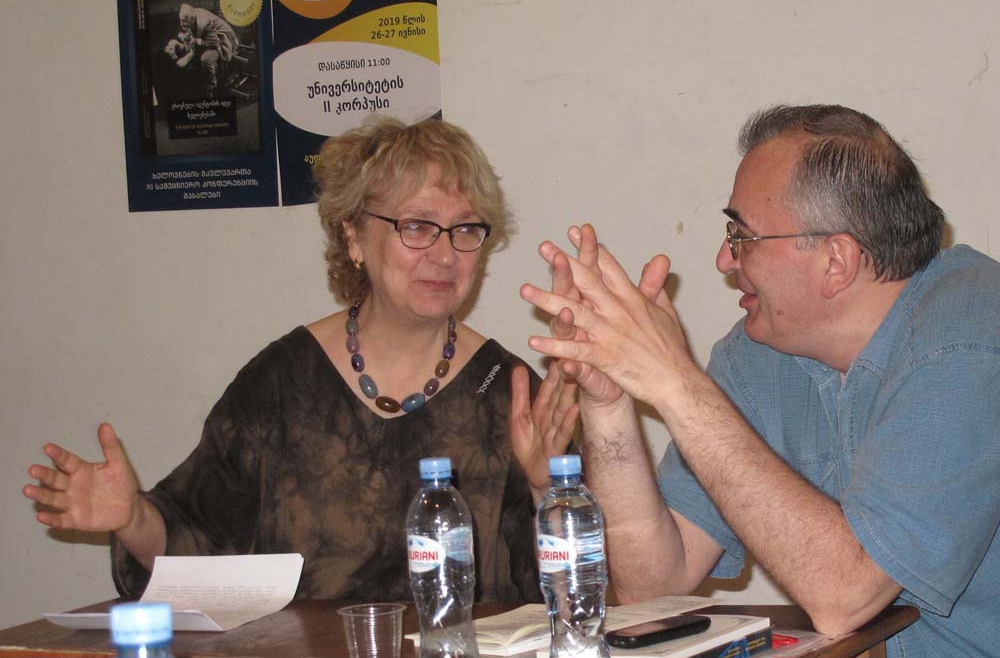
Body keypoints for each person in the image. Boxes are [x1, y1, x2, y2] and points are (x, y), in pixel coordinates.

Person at [515, 104, 1000, 658]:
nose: (724, 259)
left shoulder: (971, 334)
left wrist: (677, 383)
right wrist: (608, 400)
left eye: (741, 235)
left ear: (836, 261)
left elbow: (846, 595)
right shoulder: (759, 354)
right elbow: (651, 586)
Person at [24, 116, 573, 604]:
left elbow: (563, 598)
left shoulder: (512, 394)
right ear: (353, 235)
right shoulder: (282, 383)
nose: (446, 254)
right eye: (417, 225)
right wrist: (134, 518)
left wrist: (549, 492)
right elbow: (200, 548)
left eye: (466, 229)